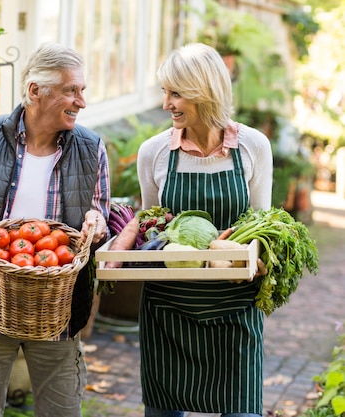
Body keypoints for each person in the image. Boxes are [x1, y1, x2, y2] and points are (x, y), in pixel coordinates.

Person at [0, 42, 110, 417]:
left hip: (57, 309)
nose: (81, 101)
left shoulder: (92, 148)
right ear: (34, 92)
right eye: (71, 90)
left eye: (82, 91)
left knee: (61, 411)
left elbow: (98, 217)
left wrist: (97, 226)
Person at [112, 42, 273, 417]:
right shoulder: (154, 152)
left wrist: (253, 256)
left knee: (242, 411)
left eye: (176, 93)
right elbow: (154, 224)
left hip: (235, 304)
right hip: (169, 307)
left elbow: (262, 221)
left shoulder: (252, 147)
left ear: (205, 92)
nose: (166, 102)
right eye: (164, 92)